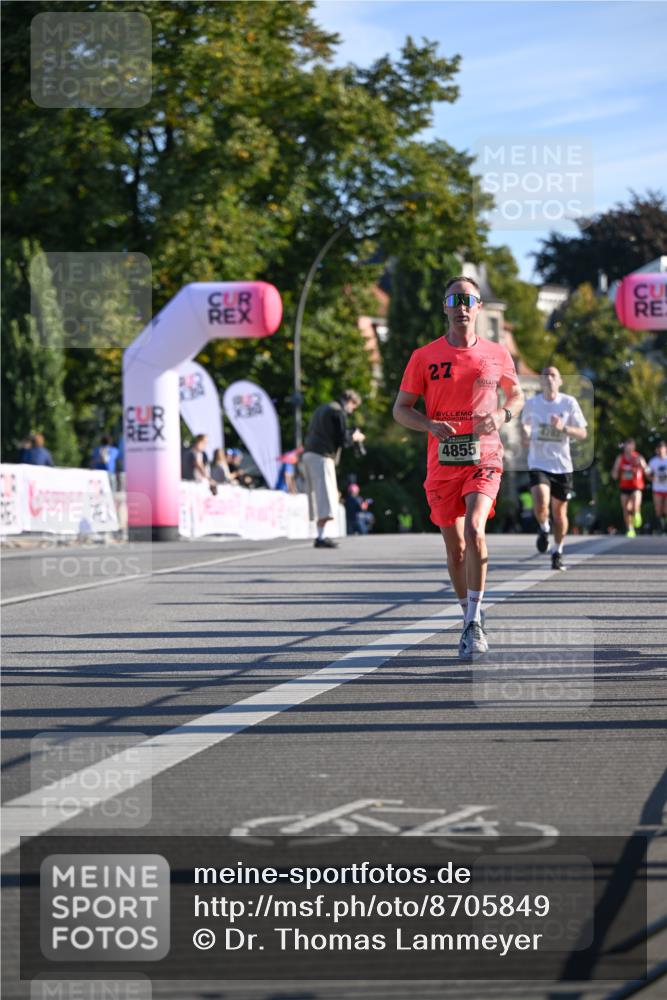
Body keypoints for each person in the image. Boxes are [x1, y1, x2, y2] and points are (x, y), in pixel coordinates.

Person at [393, 275, 524, 657]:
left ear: (479, 307)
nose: (462, 306)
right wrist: (429, 424)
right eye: (455, 299)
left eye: (469, 299)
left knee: (475, 528)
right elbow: (401, 409)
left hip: (484, 456)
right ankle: (468, 614)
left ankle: (474, 620)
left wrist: (501, 415)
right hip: (442, 463)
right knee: (456, 550)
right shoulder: (424, 356)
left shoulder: (497, 353)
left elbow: (516, 397)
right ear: (445, 307)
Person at [520, 366, 588, 570]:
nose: (549, 378)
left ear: (560, 381)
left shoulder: (568, 403)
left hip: (562, 465)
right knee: (540, 502)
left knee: (560, 514)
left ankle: (557, 551)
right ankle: (543, 527)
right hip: (538, 463)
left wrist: (563, 428)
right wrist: (525, 433)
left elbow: (583, 433)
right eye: (545, 375)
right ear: (540, 382)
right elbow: (525, 429)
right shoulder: (532, 403)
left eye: (553, 375)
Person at [302, 389, 365, 549]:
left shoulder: (323, 408)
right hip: (322, 457)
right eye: (354, 407)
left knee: (318, 496)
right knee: (327, 497)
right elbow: (343, 440)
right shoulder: (338, 412)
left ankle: (321, 535)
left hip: (309, 453)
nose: (352, 410)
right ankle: (321, 537)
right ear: (350, 401)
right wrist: (355, 437)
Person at [611, 438, 649, 537]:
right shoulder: (620, 458)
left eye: (630, 446)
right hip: (624, 486)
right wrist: (615, 474)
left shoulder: (638, 457)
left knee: (636, 504)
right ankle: (630, 529)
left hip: (636, 486)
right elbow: (615, 471)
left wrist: (643, 467)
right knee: (626, 509)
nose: (628, 448)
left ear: (633, 447)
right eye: (626, 446)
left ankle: (637, 513)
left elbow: (647, 470)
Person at [647, 440, 667, 534]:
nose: (660, 451)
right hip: (657, 488)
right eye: (659, 449)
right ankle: (661, 528)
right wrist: (651, 478)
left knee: (666, 509)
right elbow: (647, 472)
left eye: (662, 448)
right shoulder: (653, 461)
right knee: (658, 509)